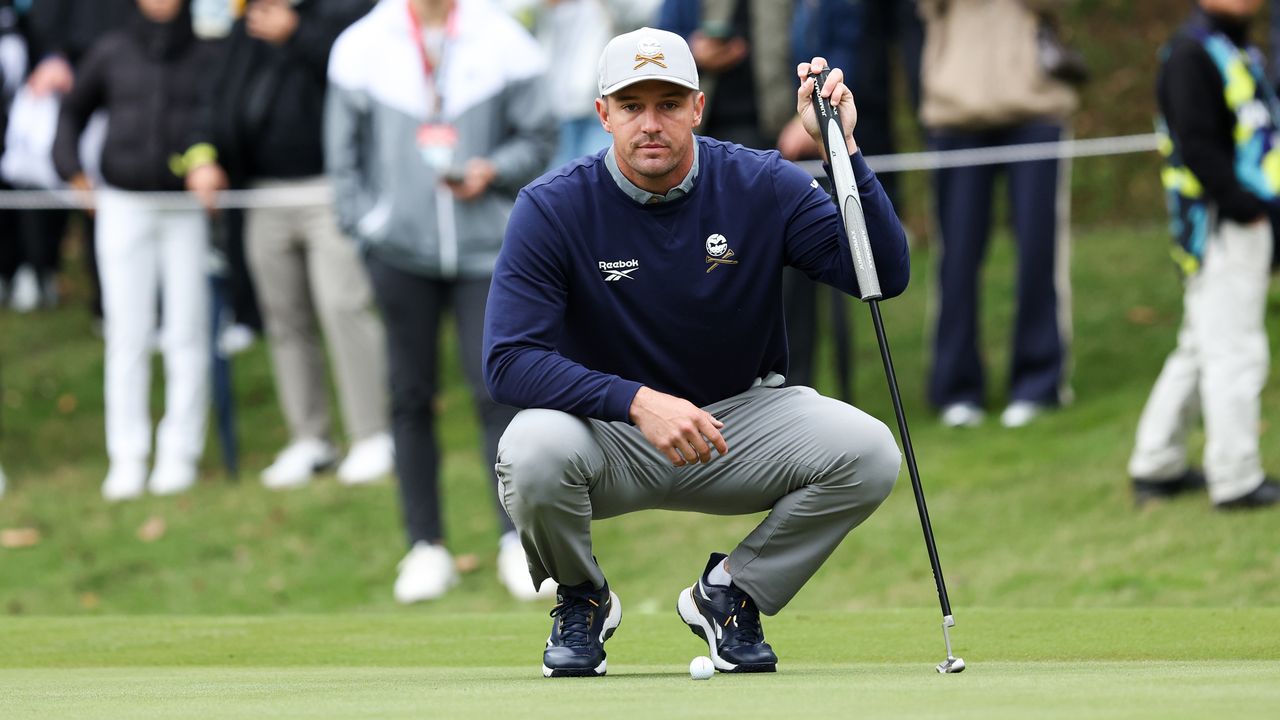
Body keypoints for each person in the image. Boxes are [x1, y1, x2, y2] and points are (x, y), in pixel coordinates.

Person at [484, 29, 909, 676]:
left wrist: (841, 148)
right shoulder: (552, 207)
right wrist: (634, 401)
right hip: (610, 437)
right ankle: (583, 598)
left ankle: (731, 595)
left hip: (738, 423)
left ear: (698, 108)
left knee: (870, 451)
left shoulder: (761, 183)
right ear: (603, 115)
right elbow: (508, 360)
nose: (650, 124)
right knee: (529, 449)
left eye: (668, 104)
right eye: (631, 106)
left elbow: (880, 272)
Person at [325, 0, 557, 602]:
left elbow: (540, 136)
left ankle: (518, 542)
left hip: (489, 250)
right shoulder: (362, 43)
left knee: (497, 391)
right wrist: (369, 226)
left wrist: (492, 169)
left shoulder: (502, 37)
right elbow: (341, 157)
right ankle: (425, 545)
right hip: (399, 250)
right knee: (408, 394)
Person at [189, 0, 389, 489]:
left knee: (344, 307)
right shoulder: (246, 25)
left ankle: (374, 434)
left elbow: (361, 83)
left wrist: (295, 34)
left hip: (330, 189)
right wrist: (204, 154)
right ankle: (311, 439)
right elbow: (217, 98)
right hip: (261, 192)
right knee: (284, 318)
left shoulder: (342, 15)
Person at [52, 0, 221, 500]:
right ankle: (127, 455)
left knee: (188, 332)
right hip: (123, 205)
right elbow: (70, 113)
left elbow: (216, 121)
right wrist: (74, 174)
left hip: (185, 209)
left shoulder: (206, 52)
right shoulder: (112, 50)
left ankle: (180, 451)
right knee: (128, 334)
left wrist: (207, 160)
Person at [1128, 0, 1280, 510]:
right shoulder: (1192, 53)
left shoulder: (1236, 48)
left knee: (1200, 347)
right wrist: (1244, 209)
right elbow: (1196, 144)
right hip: (1219, 226)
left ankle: (1156, 463)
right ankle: (1236, 478)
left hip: (1240, 222)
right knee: (1236, 352)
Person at [917, 0, 1078, 429]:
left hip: (1035, 104)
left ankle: (1039, 382)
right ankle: (956, 388)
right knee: (957, 257)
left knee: (1040, 250)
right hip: (956, 112)